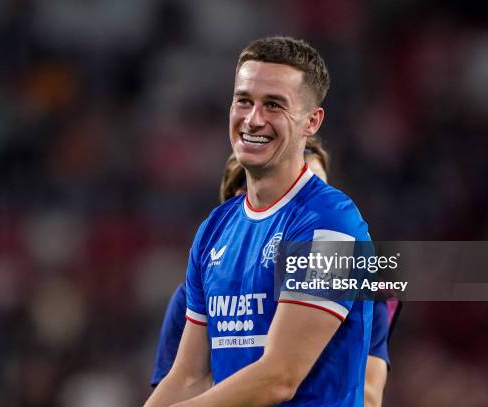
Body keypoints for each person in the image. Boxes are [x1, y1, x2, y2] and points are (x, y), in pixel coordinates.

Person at [144, 36, 372, 406]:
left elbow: (280, 377)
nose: (253, 119)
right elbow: (189, 375)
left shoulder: (333, 226)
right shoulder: (214, 230)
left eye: (274, 105)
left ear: (311, 121)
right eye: (244, 101)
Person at [150, 140, 400, 407]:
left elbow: (368, 397)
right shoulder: (193, 297)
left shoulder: (358, 284)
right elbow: (183, 382)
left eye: (318, 189)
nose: (307, 208)